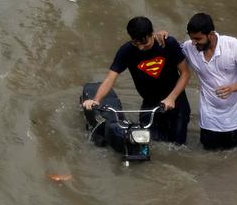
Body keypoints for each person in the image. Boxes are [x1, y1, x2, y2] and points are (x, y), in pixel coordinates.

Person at [81, 16, 191, 144]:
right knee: (146, 145)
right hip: (150, 105)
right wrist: (96, 100)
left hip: (176, 103)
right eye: (136, 43)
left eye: (145, 43)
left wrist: (171, 98)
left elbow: (185, 74)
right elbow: (110, 78)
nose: (140, 48)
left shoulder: (168, 44)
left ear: (152, 33)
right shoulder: (126, 51)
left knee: (178, 146)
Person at [179, 12, 237, 150]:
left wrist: (232, 88)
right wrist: (161, 35)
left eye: (198, 39)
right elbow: (169, 51)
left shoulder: (232, 45)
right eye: (192, 39)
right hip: (209, 121)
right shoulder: (189, 47)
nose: (194, 43)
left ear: (210, 34)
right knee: (210, 158)